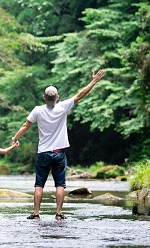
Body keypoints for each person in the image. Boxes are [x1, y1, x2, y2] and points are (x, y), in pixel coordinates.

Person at [11, 69, 105, 220]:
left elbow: (25, 126)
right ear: (57, 97)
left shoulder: (37, 110)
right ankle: (59, 214)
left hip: (43, 153)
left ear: (44, 97)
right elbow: (80, 95)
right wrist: (94, 81)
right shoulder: (63, 106)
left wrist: (15, 138)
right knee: (60, 184)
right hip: (59, 153)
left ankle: (36, 214)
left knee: (39, 184)